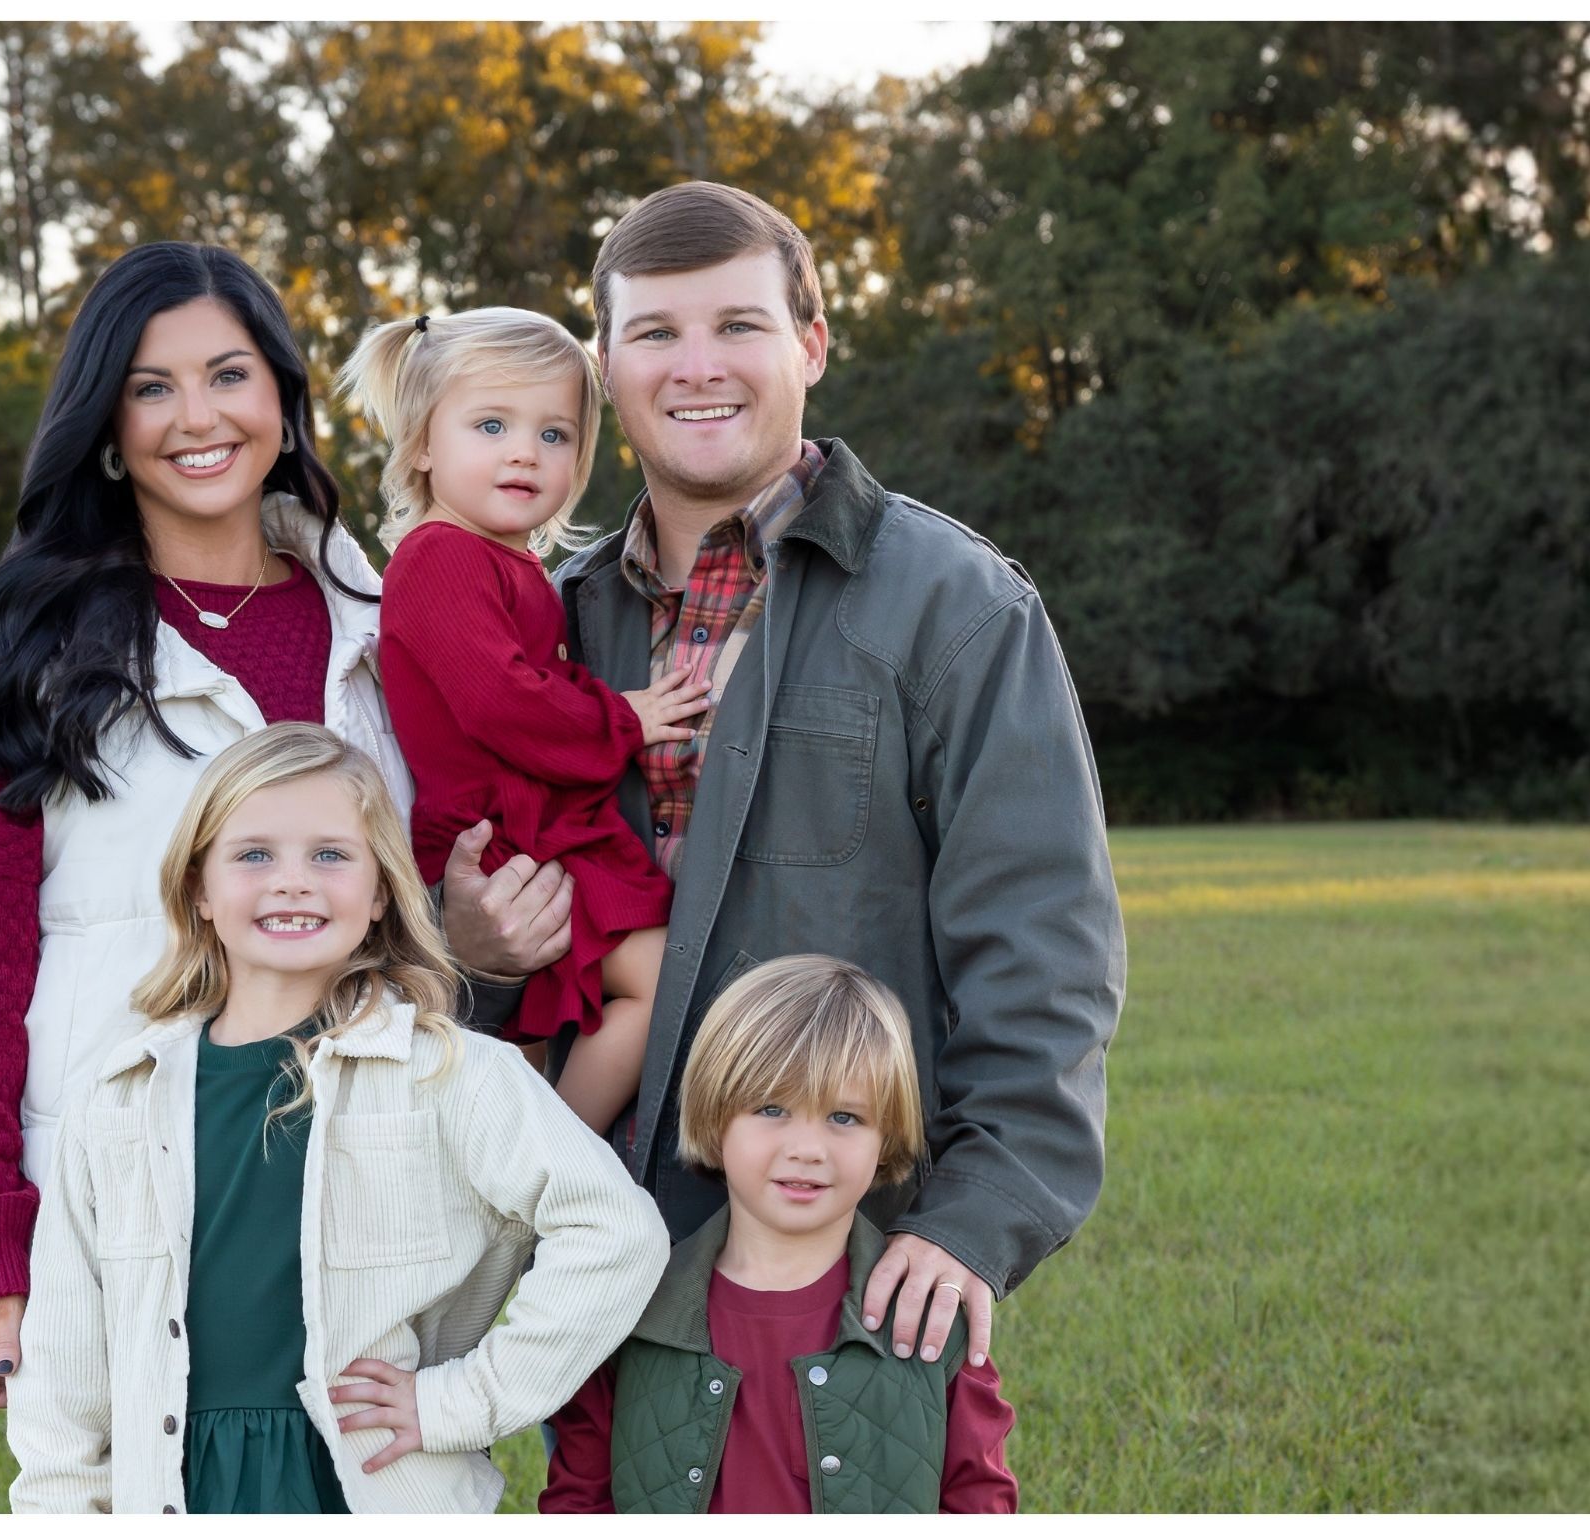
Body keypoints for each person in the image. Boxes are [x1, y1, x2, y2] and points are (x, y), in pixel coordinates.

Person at [449, 181, 1126, 1384]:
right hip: (602, 1264)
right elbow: (468, 957)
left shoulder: (955, 607)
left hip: (851, 1261)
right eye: (654, 332)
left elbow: (1044, 949)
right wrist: (482, 962)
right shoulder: (539, 629)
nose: (695, 365)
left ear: (811, 344)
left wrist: (976, 1217)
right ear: (606, 367)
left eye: (739, 326)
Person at [0, 243, 569, 1413]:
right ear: (105, 422)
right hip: (122, 1203)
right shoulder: (23, 652)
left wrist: (479, 951)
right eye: (151, 387)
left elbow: (432, 910)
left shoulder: (385, 623)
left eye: (229, 375)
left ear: (283, 399)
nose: (195, 418)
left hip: (366, 1206)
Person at [7, 723, 667, 1513]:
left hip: (372, 1483)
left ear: (382, 888)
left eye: (331, 854)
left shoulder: (450, 1071)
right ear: (199, 891)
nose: (293, 882)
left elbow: (617, 1233)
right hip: (173, 1485)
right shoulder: (117, 1097)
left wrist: (462, 1399)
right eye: (254, 855)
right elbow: (66, 1359)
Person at [336, 307, 710, 1132]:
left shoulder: (504, 560)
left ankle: (528, 1169)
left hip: (535, 824)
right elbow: (500, 699)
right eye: (492, 425)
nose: (524, 452)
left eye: (555, 434)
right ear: (424, 444)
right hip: (500, 836)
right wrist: (623, 719)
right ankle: (564, 1170)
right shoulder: (437, 558)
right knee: (654, 974)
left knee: (532, 1032)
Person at [539, 954, 1018, 1513]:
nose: (807, 1149)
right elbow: (579, 1501)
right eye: (772, 1109)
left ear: (886, 1136)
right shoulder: (631, 1311)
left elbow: (981, 1501)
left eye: (844, 1117)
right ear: (716, 1119)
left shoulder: (931, 1316)